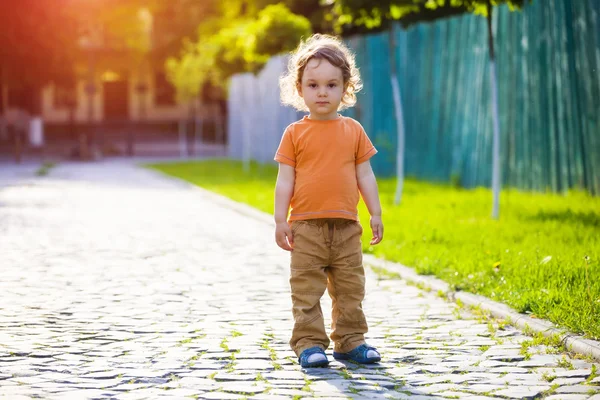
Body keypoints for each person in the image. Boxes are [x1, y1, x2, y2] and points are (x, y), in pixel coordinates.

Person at [273, 34, 384, 368]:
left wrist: (375, 212)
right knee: (306, 289)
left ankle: (350, 340)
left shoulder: (353, 130)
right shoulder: (294, 134)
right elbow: (285, 180)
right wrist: (281, 220)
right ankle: (308, 343)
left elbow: (365, 175)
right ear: (300, 89)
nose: (322, 92)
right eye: (314, 85)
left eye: (331, 85)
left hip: (347, 227)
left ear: (345, 88)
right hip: (306, 227)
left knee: (351, 288)